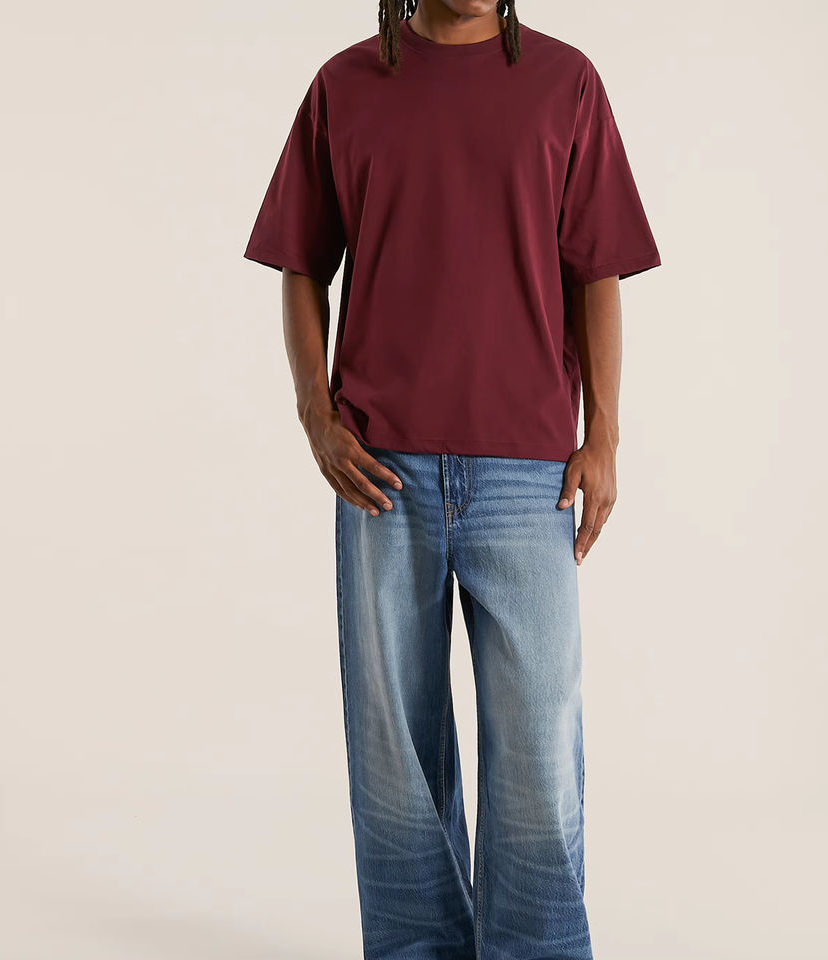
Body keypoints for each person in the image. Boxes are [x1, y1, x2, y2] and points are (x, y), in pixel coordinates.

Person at [243, 1, 660, 956]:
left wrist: (604, 434)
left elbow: (597, 268)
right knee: (394, 756)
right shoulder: (345, 87)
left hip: (530, 475)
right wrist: (314, 411)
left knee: (539, 751)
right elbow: (300, 262)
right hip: (379, 472)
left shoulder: (566, 84)